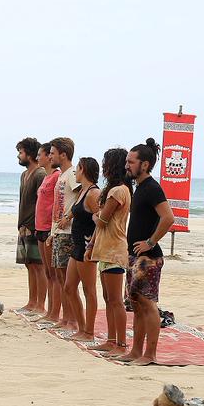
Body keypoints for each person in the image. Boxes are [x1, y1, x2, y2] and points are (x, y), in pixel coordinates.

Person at [117, 139, 174, 366]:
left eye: (131, 162)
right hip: (135, 257)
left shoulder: (152, 187)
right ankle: (136, 351)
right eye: (127, 161)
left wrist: (150, 242)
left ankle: (150, 354)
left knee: (148, 304)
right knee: (137, 304)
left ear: (145, 164)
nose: (127, 165)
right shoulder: (140, 187)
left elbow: (168, 217)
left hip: (148, 259)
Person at [87, 148, 133, 355]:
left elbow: (102, 220)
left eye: (106, 164)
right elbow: (101, 224)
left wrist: (95, 215)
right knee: (108, 298)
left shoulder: (118, 191)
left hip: (115, 249)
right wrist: (91, 245)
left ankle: (121, 344)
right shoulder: (114, 190)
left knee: (115, 300)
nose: (103, 168)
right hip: (105, 248)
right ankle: (111, 339)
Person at [64, 157, 102, 341]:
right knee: (69, 288)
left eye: (77, 168)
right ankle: (82, 327)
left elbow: (101, 219)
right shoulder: (82, 191)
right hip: (77, 245)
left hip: (87, 246)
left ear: (84, 169)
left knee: (89, 290)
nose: (75, 172)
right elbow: (76, 211)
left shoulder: (94, 193)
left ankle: (89, 332)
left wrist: (93, 244)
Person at [47, 138, 82, 331]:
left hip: (69, 232)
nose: (50, 156)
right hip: (59, 232)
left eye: (53, 153)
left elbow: (81, 195)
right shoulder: (61, 176)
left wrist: (69, 217)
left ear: (63, 154)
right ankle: (66, 318)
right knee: (60, 278)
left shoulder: (72, 173)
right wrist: (53, 232)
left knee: (67, 280)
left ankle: (72, 319)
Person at [16, 137, 47, 314]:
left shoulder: (39, 174)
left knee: (38, 265)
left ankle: (40, 304)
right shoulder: (24, 174)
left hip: (34, 226)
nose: (19, 156)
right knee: (29, 264)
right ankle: (32, 301)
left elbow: (42, 203)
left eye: (21, 152)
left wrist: (34, 225)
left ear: (30, 154)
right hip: (23, 225)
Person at [34, 142, 63, 323]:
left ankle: (54, 313)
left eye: (41, 154)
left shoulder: (57, 176)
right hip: (40, 227)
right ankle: (49, 312)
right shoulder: (46, 176)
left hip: (49, 228)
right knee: (48, 273)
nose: (39, 158)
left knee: (54, 274)